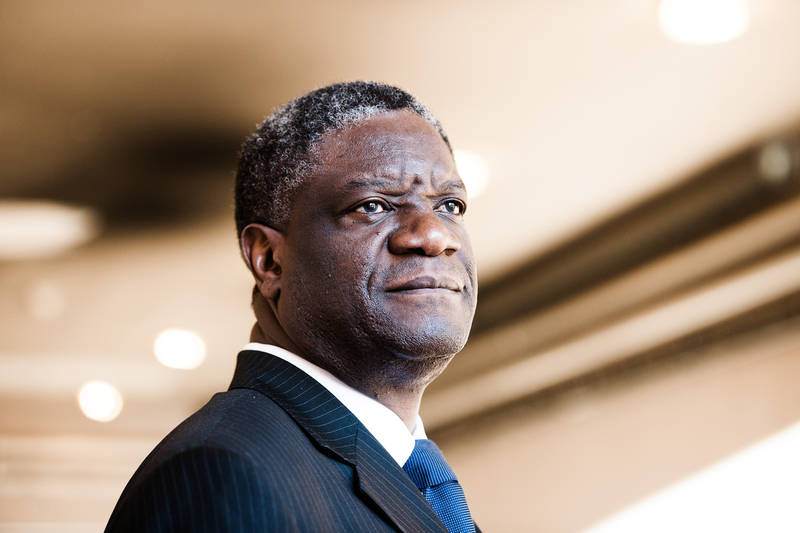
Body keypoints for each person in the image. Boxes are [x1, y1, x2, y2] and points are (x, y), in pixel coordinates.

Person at [105, 81, 479, 532]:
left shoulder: (406, 474)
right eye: (373, 206)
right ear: (269, 259)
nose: (435, 235)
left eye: (450, 205)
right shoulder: (223, 472)